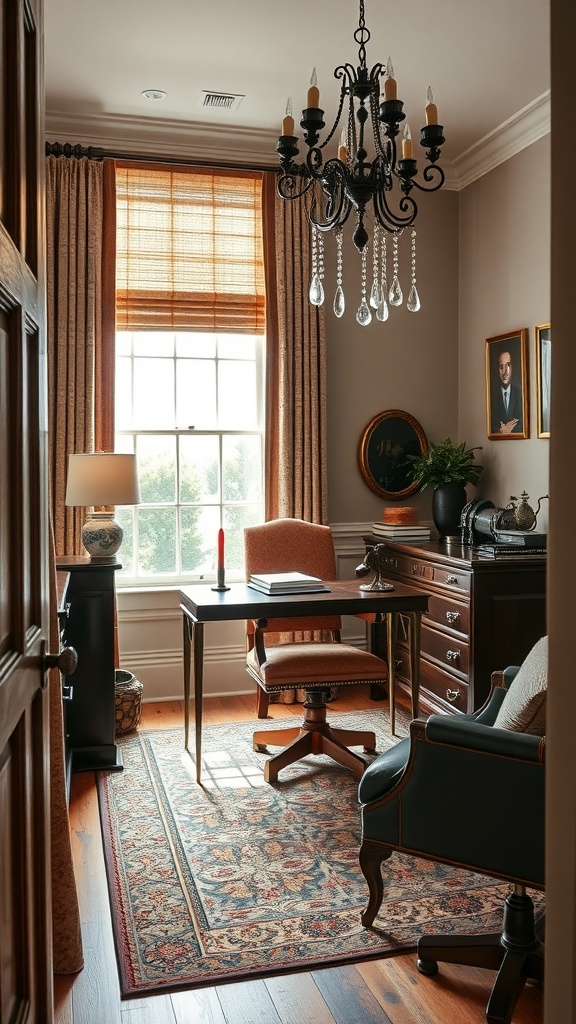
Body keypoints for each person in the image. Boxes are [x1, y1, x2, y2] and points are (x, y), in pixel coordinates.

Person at [491, 348, 523, 434]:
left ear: (512, 367)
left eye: (507, 365)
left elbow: (524, 423)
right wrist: (501, 430)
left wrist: (507, 430)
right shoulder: (492, 396)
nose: (505, 372)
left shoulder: (520, 392)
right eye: (501, 367)